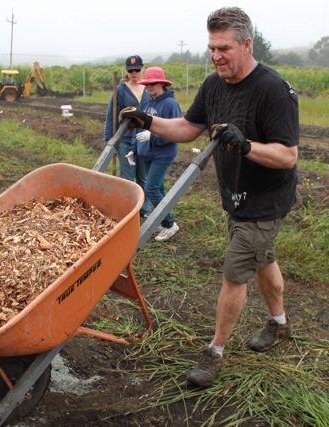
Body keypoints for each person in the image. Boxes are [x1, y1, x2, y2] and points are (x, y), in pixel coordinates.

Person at [120, 6, 299, 387]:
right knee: (263, 258)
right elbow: (188, 128)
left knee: (235, 271)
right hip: (236, 194)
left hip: (266, 198)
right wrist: (148, 121)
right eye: (212, 48)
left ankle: (214, 352)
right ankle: (280, 324)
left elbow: (287, 155)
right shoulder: (214, 85)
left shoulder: (272, 89)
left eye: (224, 48)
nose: (216, 56)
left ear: (246, 44)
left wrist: (246, 145)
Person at [130, 67, 181, 242]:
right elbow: (138, 127)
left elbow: (175, 131)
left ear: (162, 84)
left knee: (151, 188)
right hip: (147, 153)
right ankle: (162, 218)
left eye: (152, 84)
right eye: (147, 84)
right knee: (158, 188)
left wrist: (153, 136)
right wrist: (133, 148)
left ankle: (169, 224)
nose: (149, 87)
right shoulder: (146, 103)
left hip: (162, 153)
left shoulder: (170, 104)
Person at [104, 55, 151, 216]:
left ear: (142, 69)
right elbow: (111, 116)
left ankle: (144, 208)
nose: (134, 73)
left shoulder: (149, 88)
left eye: (137, 70)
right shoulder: (121, 90)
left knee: (143, 177)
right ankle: (129, 209)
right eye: (131, 71)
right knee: (127, 177)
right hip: (126, 140)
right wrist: (109, 140)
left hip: (143, 140)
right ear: (127, 71)